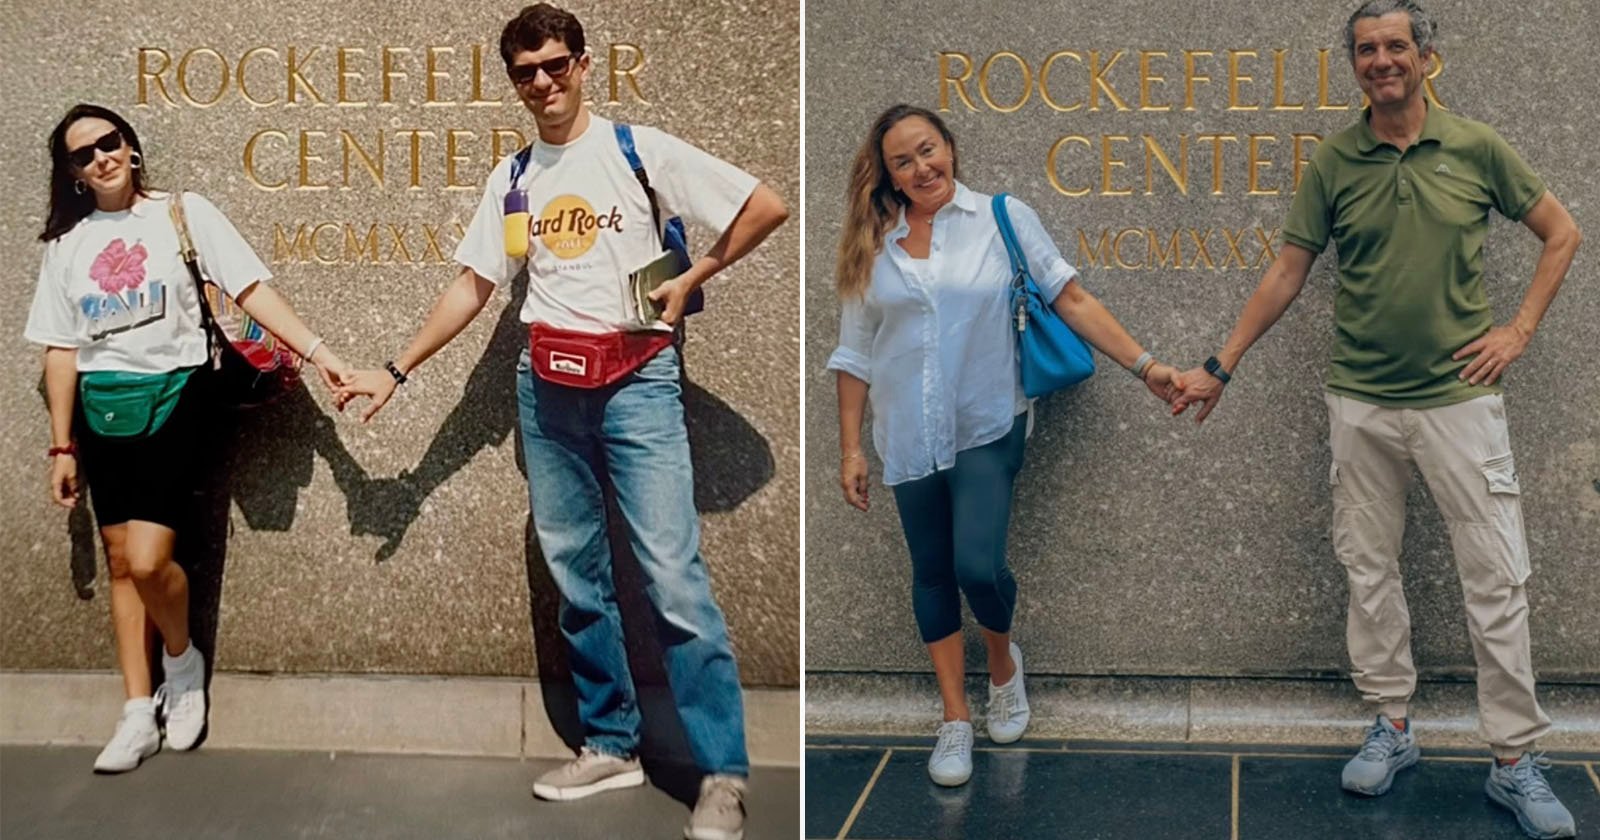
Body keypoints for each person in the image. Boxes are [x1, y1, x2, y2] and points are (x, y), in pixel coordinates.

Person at [335, 5, 787, 837]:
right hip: (545, 387)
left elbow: (766, 205)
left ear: (583, 64)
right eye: (525, 72)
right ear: (513, 82)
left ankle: (721, 771)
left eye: (554, 65)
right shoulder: (514, 178)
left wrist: (694, 280)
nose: (542, 83)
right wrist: (396, 370)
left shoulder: (636, 149)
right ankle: (612, 744)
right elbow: (475, 284)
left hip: (639, 382)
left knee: (674, 578)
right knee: (578, 577)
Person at [1170, 2, 1581, 836]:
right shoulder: (1335, 159)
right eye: (1367, 50)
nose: (1382, 60)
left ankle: (1514, 760)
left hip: (1459, 402)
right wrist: (1222, 363)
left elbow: (1560, 231)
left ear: (1427, 56)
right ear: (1353, 65)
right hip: (1359, 398)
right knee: (1369, 570)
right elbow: (1289, 271)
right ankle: (1391, 727)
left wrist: (1518, 330)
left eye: (1396, 46)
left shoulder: (1476, 146)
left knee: (1497, 581)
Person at [827, 103, 1183, 787]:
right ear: (889, 176)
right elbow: (854, 355)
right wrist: (850, 451)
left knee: (977, 568)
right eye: (903, 161)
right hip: (906, 430)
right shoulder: (873, 246)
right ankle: (955, 717)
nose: (920, 167)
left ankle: (1001, 665)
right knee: (930, 571)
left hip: (989, 417)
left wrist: (1148, 367)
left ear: (951, 149)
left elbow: (1071, 299)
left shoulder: (1001, 218)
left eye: (928, 150)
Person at [25, 103, 352, 774]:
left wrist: (321, 352)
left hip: (178, 395)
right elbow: (60, 349)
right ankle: (137, 709)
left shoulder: (182, 213)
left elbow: (253, 288)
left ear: (131, 146)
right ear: (72, 173)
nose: (100, 159)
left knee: (147, 561)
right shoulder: (66, 245)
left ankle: (181, 658)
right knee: (120, 562)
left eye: (108, 143)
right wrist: (62, 444)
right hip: (101, 408)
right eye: (82, 155)